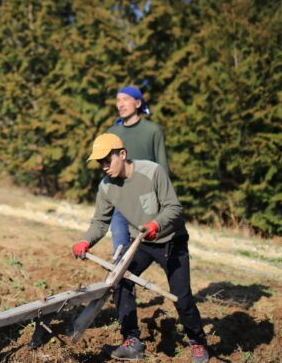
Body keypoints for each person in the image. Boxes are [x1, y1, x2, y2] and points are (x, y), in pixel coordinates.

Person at [71, 133, 209, 362]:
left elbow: (174, 208)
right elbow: (100, 222)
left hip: (171, 241)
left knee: (181, 297)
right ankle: (131, 341)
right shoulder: (106, 187)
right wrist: (86, 240)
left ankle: (197, 342)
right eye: (100, 163)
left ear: (122, 154)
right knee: (121, 283)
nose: (104, 166)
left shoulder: (152, 172)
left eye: (108, 160)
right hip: (141, 243)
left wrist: (156, 224)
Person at [106, 86, 170, 257]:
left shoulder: (152, 131)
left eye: (125, 99)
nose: (120, 104)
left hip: (146, 201)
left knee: (147, 253)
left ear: (138, 103)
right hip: (120, 201)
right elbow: (107, 167)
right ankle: (121, 284)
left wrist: (163, 201)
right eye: (118, 100)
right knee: (120, 251)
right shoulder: (112, 133)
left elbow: (162, 167)